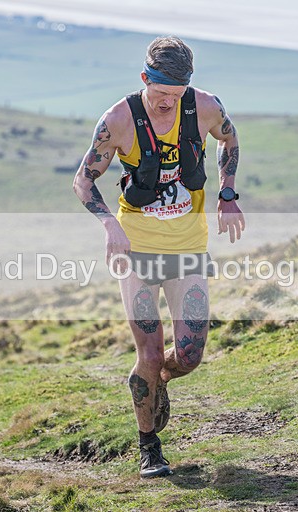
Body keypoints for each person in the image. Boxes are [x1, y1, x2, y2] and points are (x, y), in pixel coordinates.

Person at [73, 36, 245, 478]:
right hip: (137, 248)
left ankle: (159, 384)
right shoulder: (117, 120)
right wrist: (110, 225)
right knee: (148, 355)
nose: (168, 104)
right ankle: (149, 446)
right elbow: (83, 182)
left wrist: (227, 193)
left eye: (177, 95)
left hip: (188, 246)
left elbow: (230, 140)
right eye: (161, 94)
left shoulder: (204, 106)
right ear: (145, 78)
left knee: (188, 355)